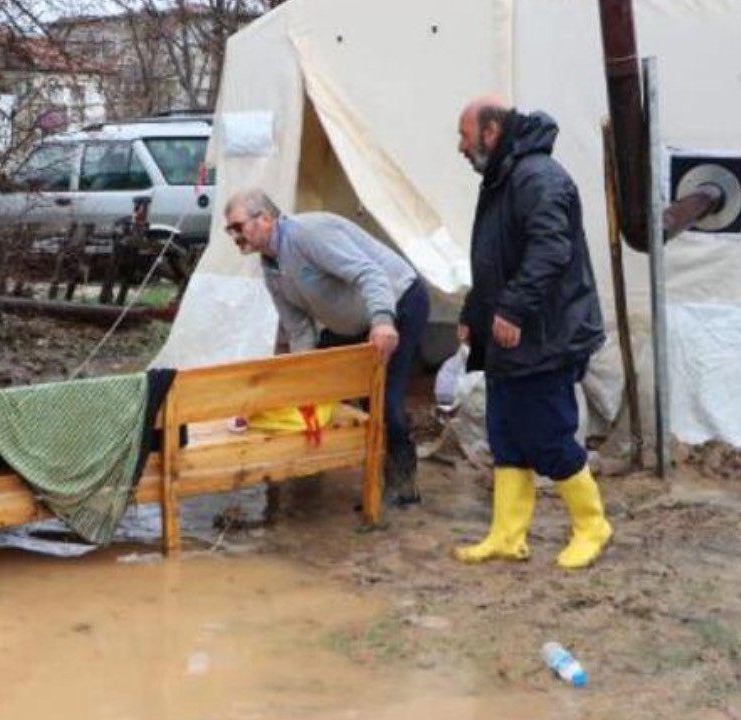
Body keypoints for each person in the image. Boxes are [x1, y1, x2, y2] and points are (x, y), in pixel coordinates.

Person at [451, 97, 613, 569]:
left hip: (546, 334)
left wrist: (515, 309)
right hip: (511, 334)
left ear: (491, 131)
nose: (459, 146)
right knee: (506, 434)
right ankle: (506, 535)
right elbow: (494, 257)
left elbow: (549, 251)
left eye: (464, 134)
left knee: (549, 435)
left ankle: (592, 525)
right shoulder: (504, 176)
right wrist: (473, 311)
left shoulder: (538, 177)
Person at [223, 189, 430, 505]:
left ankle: (403, 486)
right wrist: (304, 377)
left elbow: (370, 273)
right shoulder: (270, 266)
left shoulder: (309, 234)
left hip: (398, 302)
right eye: (230, 230)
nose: (234, 236)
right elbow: (299, 329)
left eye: (237, 226)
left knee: (384, 397)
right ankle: (354, 463)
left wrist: (383, 320)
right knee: (343, 387)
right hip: (354, 322)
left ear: (265, 218)